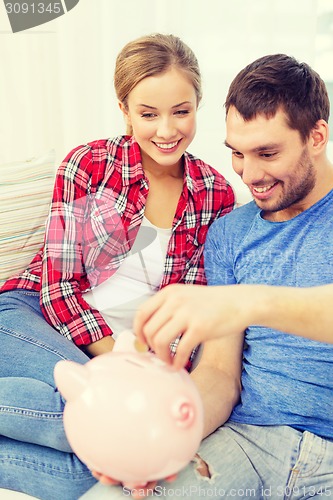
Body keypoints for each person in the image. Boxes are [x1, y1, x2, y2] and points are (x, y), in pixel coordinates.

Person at [0, 33, 234, 499]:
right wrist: (123, 367)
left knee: (103, 465)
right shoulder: (88, 166)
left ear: (198, 104)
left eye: (181, 111)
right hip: (32, 316)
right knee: (111, 426)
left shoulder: (215, 193)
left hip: (136, 363)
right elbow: (58, 289)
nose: (166, 130)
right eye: (148, 114)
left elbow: (191, 312)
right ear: (125, 110)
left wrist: (151, 371)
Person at [89, 54, 333, 498]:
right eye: (237, 154)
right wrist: (165, 438)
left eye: (267, 153)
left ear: (316, 136)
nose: (250, 175)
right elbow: (221, 373)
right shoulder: (230, 233)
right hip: (250, 442)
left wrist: (249, 302)